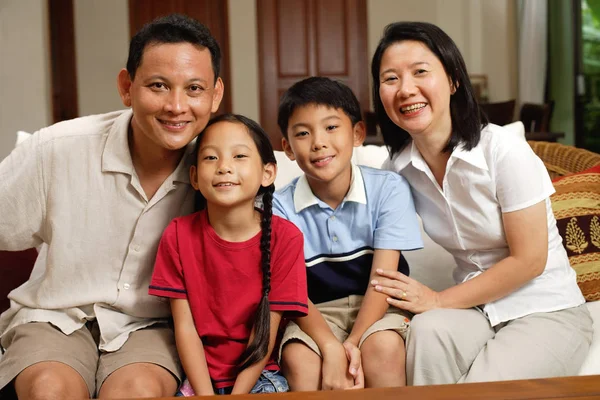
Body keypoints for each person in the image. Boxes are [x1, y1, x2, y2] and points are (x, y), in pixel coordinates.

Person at [0, 14, 224, 399]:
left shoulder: (224, 168)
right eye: (158, 85)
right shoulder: (56, 148)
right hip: (55, 316)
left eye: (194, 89)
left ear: (215, 96)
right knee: (49, 389)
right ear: (127, 87)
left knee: (136, 392)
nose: (176, 106)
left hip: (151, 328)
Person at [370, 21, 593, 385]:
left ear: (454, 80)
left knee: (480, 388)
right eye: (390, 78)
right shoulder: (397, 168)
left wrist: (438, 300)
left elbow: (530, 260)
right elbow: (369, 235)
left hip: (546, 307)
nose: (406, 89)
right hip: (475, 309)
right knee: (427, 332)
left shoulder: (502, 150)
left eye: (420, 72)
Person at [273, 77, 424, 391]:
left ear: (357, 134)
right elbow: (290, 290)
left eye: (331, 128)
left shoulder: (387, 188)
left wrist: (353, 342)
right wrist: (330, 346)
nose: (318, 142)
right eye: (303, 133)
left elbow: (383, 279)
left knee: (382, 349)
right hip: (314, 313)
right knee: (301, 360)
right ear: (287, 147)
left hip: (380, 304)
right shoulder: (279, 207)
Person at [149, 114, 308, 396]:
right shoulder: (177, 234)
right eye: (211, 158)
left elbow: (265, 335)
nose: (224, 167)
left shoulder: (286, 238)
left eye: (239, 156)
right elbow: (184, 329)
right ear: (195, 177)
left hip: (258, 380)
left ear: (267, 173)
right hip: (196, 381)